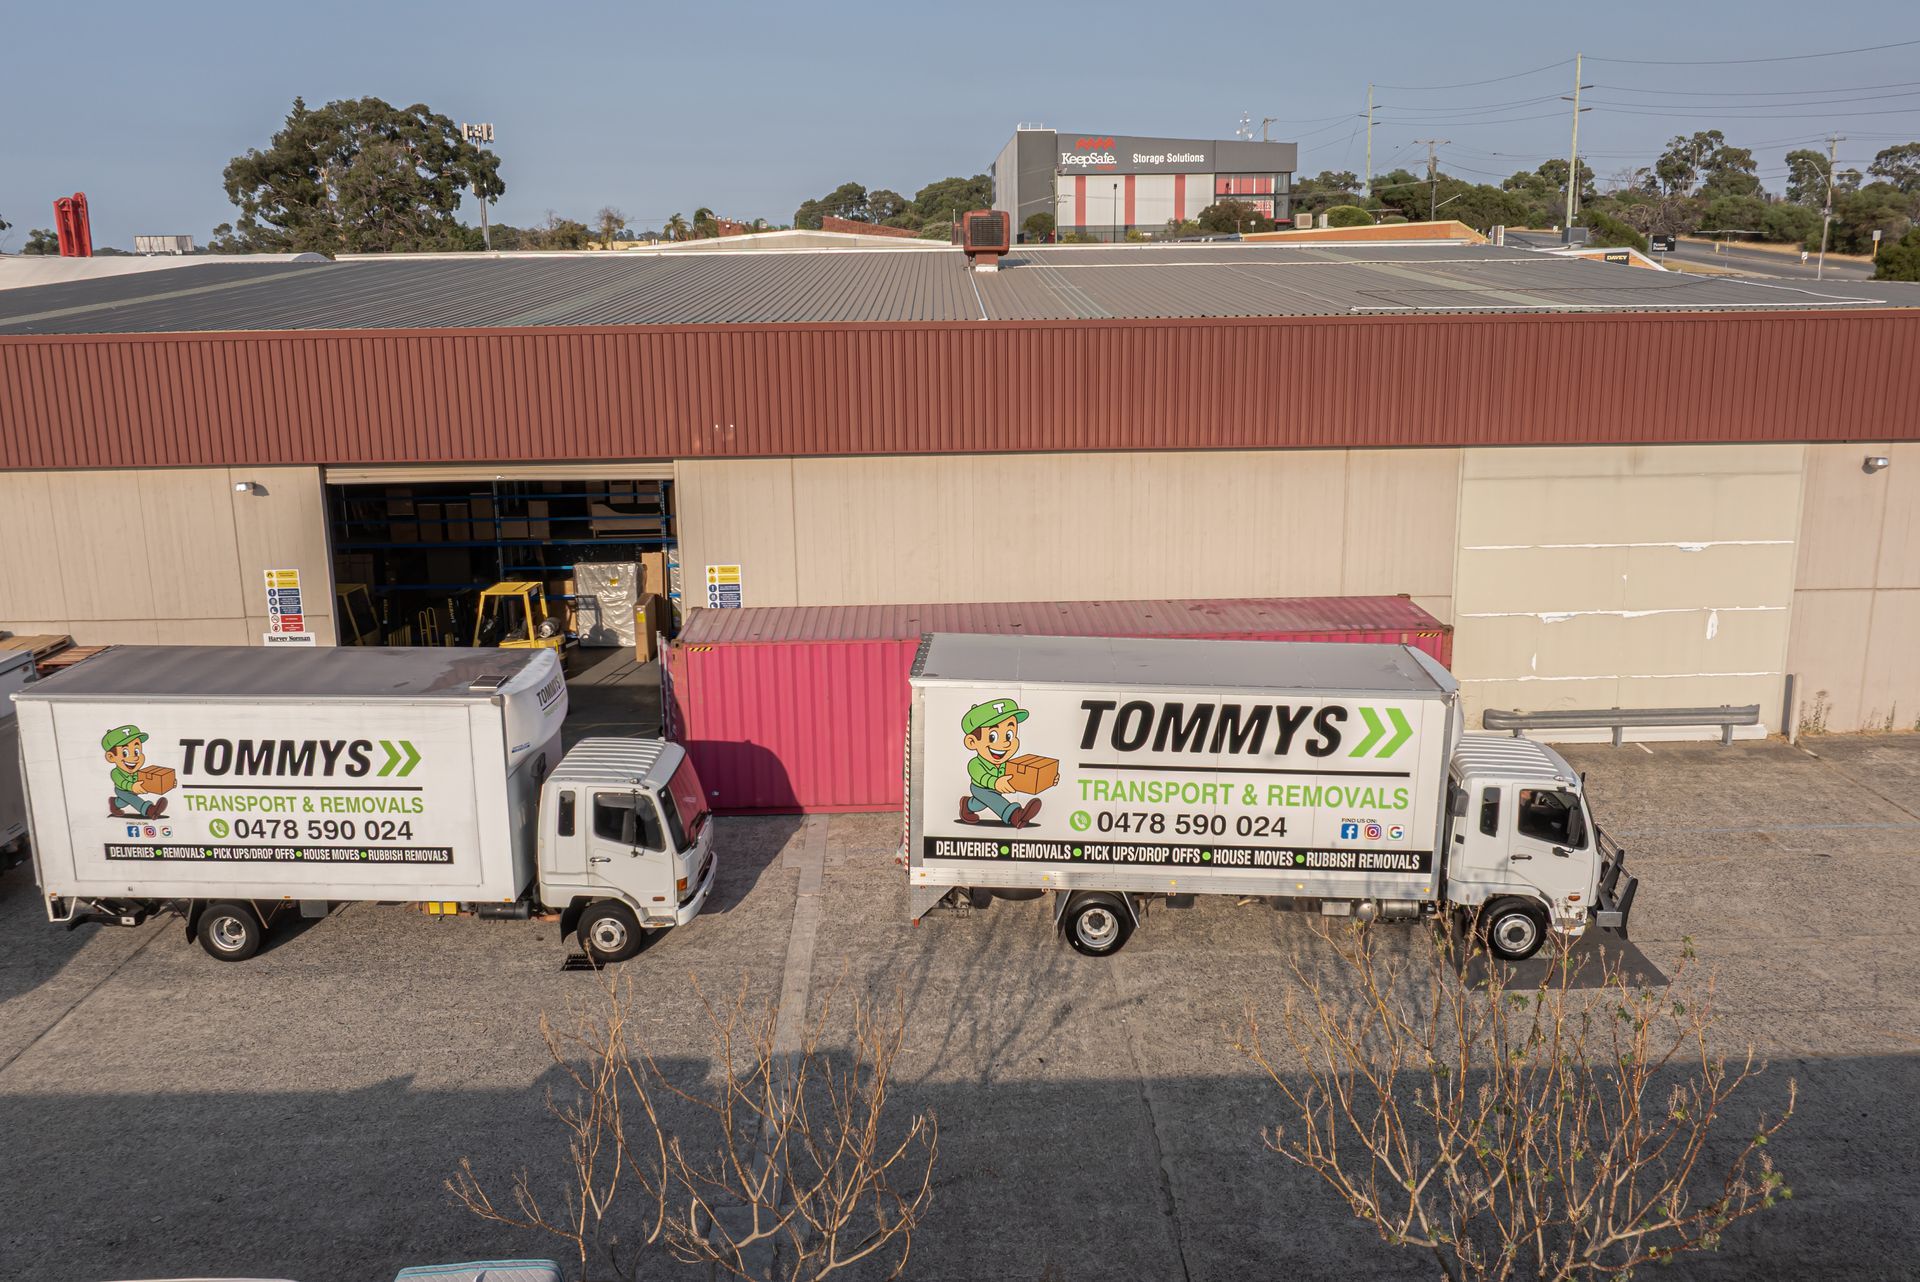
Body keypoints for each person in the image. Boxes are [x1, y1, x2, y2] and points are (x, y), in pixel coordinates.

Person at [956, 698, 1042, 829]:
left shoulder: (1006, 764)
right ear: (972, 742)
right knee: (993, 799)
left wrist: (1045, 779)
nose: (1006, 743)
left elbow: (1018, 775)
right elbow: (983, 778)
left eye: (1009, 735)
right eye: (993, 737)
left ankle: (967, 805)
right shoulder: (975, 764)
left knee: (979, 804)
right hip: (980, 788)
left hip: (994, 788)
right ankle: (1014, 815)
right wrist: (995, 783)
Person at [103, 724, 168, 819]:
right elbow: (122, 782)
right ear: (111, 757)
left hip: (134, 789)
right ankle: (150, 810)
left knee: (123, 802)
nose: (135, 757)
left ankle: (115, 803)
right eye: (125, 753)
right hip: (122, 790)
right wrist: (132, 786)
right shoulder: (115, 773)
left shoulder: (137, 772)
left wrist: (167, 783)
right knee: (132, 799)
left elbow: (147, 779)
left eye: (137, 751)